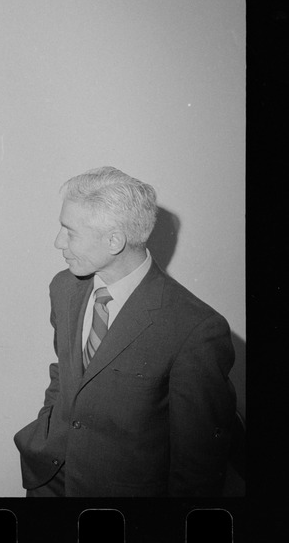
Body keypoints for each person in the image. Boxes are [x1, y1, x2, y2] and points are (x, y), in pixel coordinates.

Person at [14, 166, 237, 497]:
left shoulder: (196, 329)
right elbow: (65, 375)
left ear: (115, 240)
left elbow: (198, 467)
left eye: (70, 232)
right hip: (49, 481)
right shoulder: (64, 287)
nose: (58, 241)